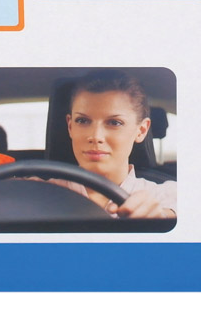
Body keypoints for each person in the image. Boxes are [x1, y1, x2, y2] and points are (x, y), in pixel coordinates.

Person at [55, 72, 175, 219]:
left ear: (142, 130)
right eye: (82, 121)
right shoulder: (38, 192)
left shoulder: (169, 196)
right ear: (70, 126)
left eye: (114, 123)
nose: (96, 137)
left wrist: (163, 217)